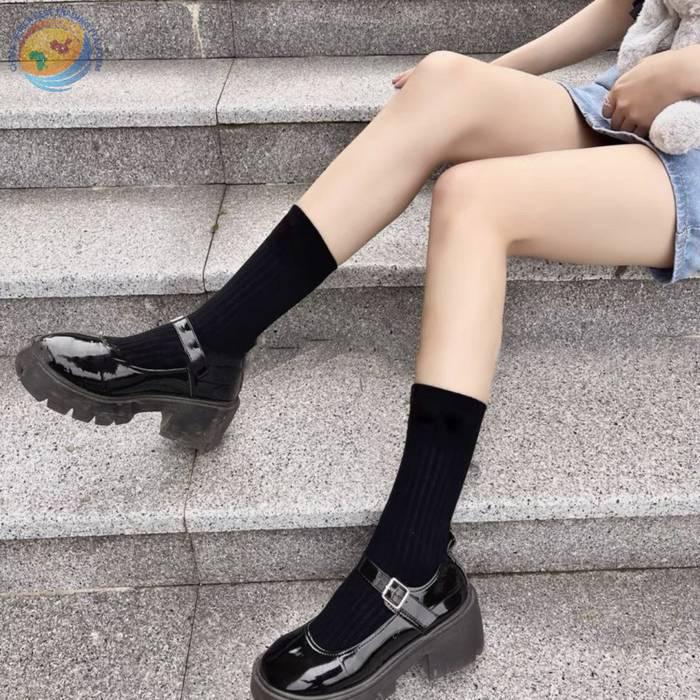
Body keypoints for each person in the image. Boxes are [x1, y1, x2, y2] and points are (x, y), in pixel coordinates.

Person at [14, 1, 698, 698]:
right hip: (627, 100)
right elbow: (620, 8)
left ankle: (414, 565)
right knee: (444, 79)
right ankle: (209, 347)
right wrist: (485, 84)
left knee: (474, 197)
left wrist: (686, 69)